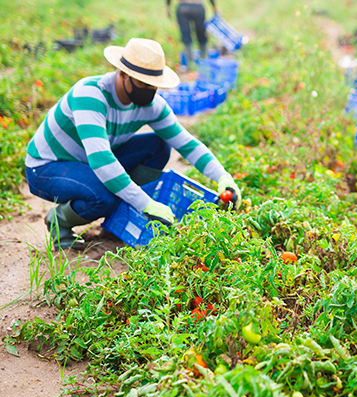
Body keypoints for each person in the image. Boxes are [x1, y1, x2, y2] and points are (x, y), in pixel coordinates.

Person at [25, 38, 242, 250]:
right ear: (122, 74)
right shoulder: (91, 94)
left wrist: (223, 177)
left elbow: (187, 144)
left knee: (158, 146)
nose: (148, 89)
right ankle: (59, 220)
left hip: (89, 160)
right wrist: (145, 203)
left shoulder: (151, 104)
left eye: (153, 85)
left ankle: (116, 221)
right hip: (47, 166)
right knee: (104, 197)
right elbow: (101, 160)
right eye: (142, 83)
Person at [167, 0, 217, 71]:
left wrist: (168, 6)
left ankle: (191, 63)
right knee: (201, 33)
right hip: (197, 6)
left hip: (183, 7)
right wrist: (214, 7)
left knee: (186, 35)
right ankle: (204, 60)